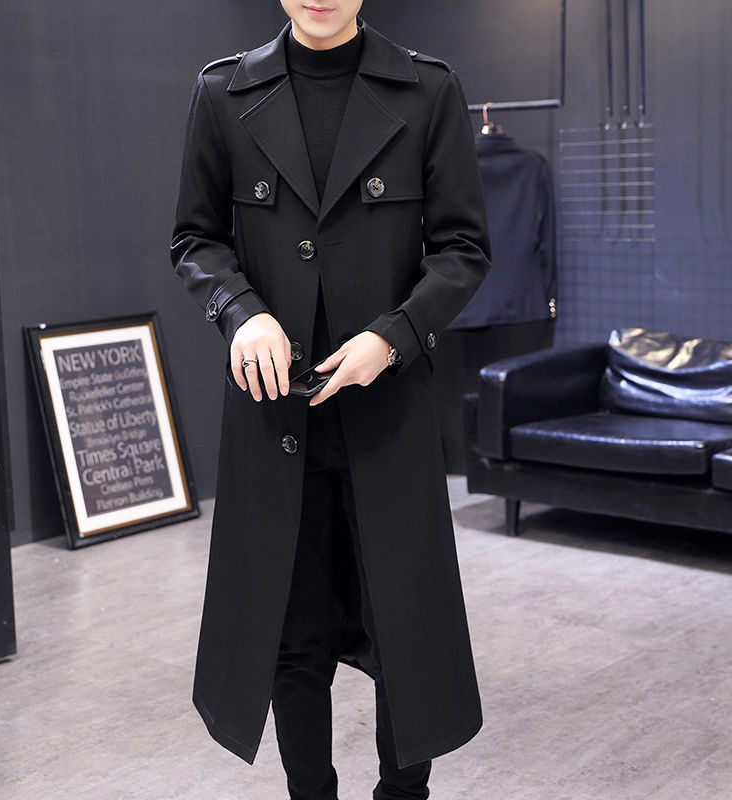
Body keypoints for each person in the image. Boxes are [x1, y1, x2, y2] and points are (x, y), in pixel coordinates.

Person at [169, 2, 491, 798]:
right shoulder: (222, 94)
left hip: (388, 417)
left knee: (405, 632)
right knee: (291, 635)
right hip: (275, 416)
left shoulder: (428, 91)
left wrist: (396, 335)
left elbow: (462, 248)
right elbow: (196, 239)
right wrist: (239, 312)